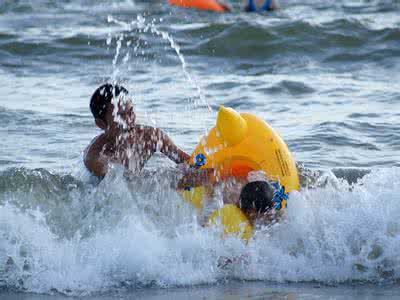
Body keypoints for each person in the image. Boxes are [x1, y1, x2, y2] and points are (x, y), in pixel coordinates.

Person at [84, 83, 190, 178]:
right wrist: (176, 177)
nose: (129, 120)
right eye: (120, 115)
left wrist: (193, 170)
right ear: (101, 124)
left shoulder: (150, 137)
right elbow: (130, 186)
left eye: (130, 111)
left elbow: (188, 161)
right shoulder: (95, 157)